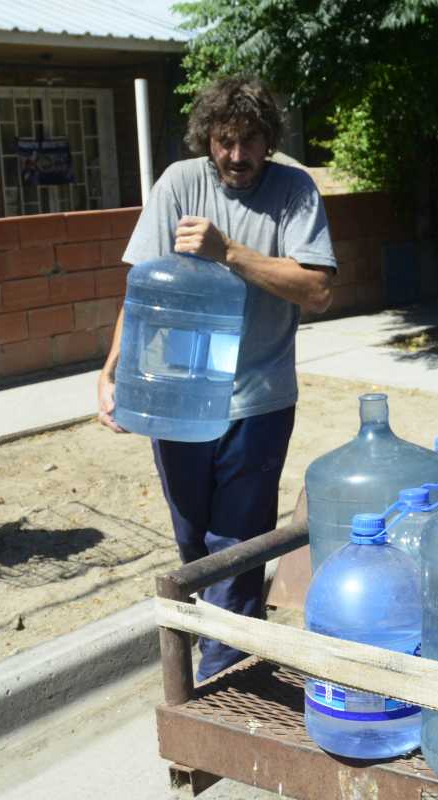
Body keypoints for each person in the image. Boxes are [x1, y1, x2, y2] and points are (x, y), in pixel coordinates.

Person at [96, 76, 335, 681]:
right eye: (225, 141)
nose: (236, 156)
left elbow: (319, 289)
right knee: (193, 542)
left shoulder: (294, 191)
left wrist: (230, 250)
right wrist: (112, 369)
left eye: (250, 141)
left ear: (268, 141)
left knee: (237, 545)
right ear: (208, 139)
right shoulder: (180, 183)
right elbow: (141, 290)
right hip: (177, 399)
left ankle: (222, 682)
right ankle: (228, 653)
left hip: (258, 400)